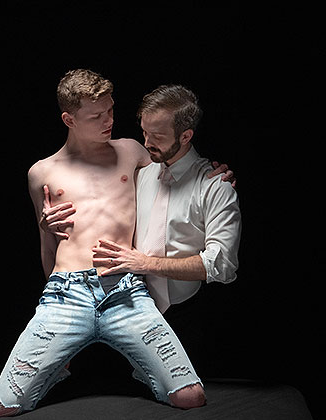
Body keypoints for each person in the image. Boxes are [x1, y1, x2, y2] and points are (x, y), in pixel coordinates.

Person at [0, 69, 209, 417]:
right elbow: (47, 247)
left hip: (126, 291)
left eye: (110, 110)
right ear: (69, 119)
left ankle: (145, 363)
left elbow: (178, 171)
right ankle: (54, 364)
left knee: (190, 396)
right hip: (65, 294)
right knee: (3, 405)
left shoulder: (131, 151)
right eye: (96, 116)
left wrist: (212, 175)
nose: (109, 120)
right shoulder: (42, 172)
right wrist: (45, 233)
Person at [92, 84, 241, 313]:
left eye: (157, 136)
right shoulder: (139, 174)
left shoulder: (215, 186)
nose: (147, 143)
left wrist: (147, 264)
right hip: (128, 304)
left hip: (188, 311)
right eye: (144, 132)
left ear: (185, 136)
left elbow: (222, 265)